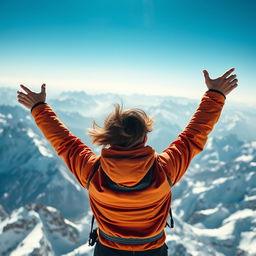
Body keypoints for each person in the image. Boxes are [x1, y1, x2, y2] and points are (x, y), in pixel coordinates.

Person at [17, 68, 238, 256]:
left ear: (108, 138)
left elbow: (64, 142)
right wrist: (215, 94)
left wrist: (39, 107)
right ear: (145, 138)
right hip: (153, 250)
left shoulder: (92, 170)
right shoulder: (165, 170)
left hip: (107, 250)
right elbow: (193, 136)